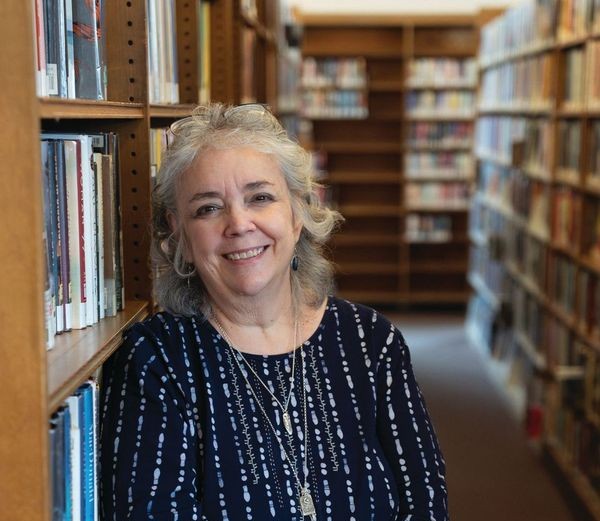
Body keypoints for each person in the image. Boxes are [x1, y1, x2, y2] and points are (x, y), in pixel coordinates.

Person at [99, 103, 448, 521]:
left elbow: (426, 501)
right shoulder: (156, 359)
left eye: (260, 197)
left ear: (298, 213)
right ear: (180, 236)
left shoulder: (372, 341)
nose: (239, 223)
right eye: (208, 208)